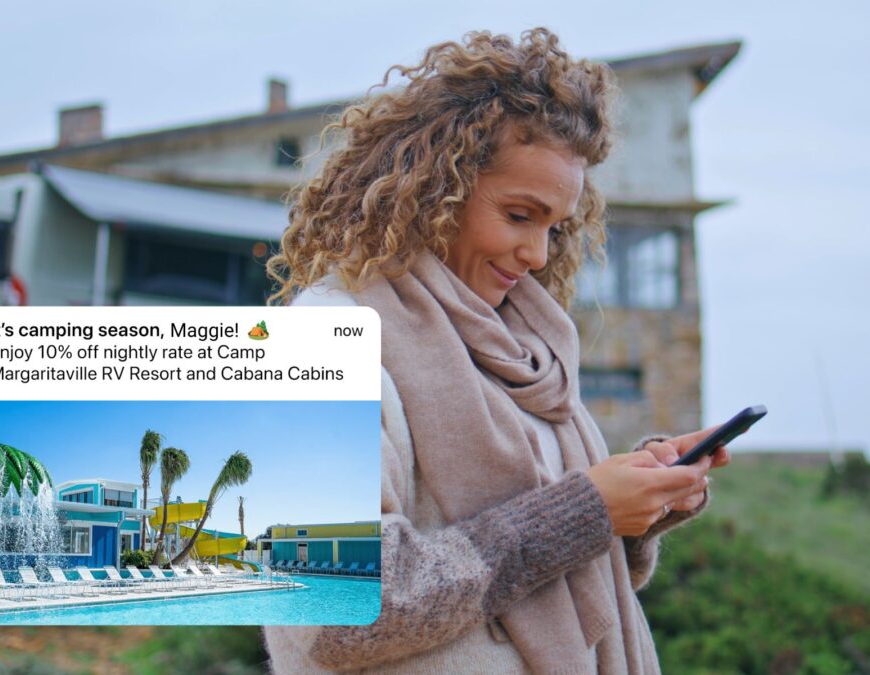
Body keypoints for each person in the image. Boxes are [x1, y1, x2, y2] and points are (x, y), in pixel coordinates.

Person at [264, 28, 730, 674]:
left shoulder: (526, 350)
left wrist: (637, 502)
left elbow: (560, 574)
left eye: (555, 227)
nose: (538, 255)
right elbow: (333, 610)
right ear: (435, 185)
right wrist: (584, 509)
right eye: (518, 215)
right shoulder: (321, 336)